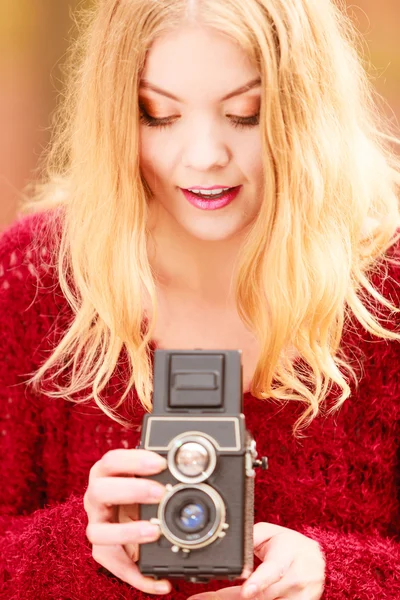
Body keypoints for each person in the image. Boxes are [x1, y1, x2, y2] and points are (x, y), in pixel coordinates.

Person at [1, 0, 400, 598]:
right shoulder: (33, 280)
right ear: (115, 114)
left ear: (306, 107)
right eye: (158, 115)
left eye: (246, 113)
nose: (204, 154)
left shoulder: (386, 291)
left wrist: (339, 579)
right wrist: (75, 548)